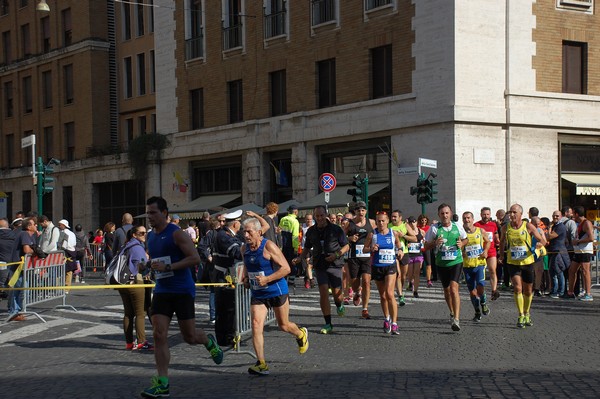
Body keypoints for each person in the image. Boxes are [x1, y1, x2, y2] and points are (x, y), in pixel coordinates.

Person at [141, 196, 223, 398]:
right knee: (159, 334)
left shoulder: (176, 234)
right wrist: (146, 266)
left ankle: (208, 341)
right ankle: (163, 383)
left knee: (189, 336)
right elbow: (156, 259)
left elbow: (195, 258)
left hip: (182, 290)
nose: (149, 216)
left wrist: (169, 266)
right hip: (162, 290)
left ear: (165, 213)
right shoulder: (150, 236)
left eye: (153, 212)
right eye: (148, 213)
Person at [241, 217, 308, 375]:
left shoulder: (269, 246)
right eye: (244, 231)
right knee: (256, 325)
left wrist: (267, 279)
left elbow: (286, 268)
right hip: (258, 293)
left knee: (283, 325)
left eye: (249, 231)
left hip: (276, 290)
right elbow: (246, 265)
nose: (246, 235)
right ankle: (261, 363)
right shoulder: (244, 249)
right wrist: (245, 278)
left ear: (259, 232)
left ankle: (300, 333)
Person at [296, 205, 349, 334]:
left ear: (326, 215)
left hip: (335, 263)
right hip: (320, 264)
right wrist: (300, 258)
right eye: (317, 216)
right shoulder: (311, 231)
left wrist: (336, 255)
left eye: (321, 215)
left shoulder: (336, 229)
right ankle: (328, 323)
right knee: (323, 292)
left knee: (337, 294)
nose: (319, 218)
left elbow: (346, 246)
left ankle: (339, 304)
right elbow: (307, 247)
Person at [499, 204, 547, 328]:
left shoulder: (528, 226)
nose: (511, 214)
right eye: (510, 212)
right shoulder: (506, 227)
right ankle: (520, 315)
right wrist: (501, 255)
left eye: (514, 212)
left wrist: (539, 245)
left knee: (528, 290)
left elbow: (543, 240)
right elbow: (502, 241)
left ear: (521, 214)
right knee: (517, 288)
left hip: (527, 262)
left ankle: (527, 313)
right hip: (512, 262)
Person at [424, 203, 467, 332]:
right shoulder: (434, 229)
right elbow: (426, 246)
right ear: (439, 215)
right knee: (447, 290)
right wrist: (435, 243)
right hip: (441, 263)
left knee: (454, 289)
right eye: (442, 213)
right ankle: (452, 312)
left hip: (456, 261)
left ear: (451, 213)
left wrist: (462, 243)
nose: (445, 215)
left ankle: (457, 320)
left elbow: (466, 239)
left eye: (447, 213)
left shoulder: (457, 226)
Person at [363, 211, 402, 335]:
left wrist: (400, 251)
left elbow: (398, 244)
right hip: (377, 266)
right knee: (383, 296)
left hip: (390, 266)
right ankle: (387, 318)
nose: (381, 223)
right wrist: (371, 249)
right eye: (378, 221)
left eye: (383, 221)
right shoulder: (372, 234)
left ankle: (395, 323)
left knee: (390, 294)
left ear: (387, 221)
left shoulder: (393, 233)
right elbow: (364, 248)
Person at [117, 225, 153, 350]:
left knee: (128, 314)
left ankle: (129, 343)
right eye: (141, 233)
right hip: (135, 282)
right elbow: (142, 267)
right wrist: (150, 262)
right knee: (140, 313)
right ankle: (142, 342)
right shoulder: (137, 248)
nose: (144, 235)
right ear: (134, 235)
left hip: (123, 283)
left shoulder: (126, 246)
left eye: (145, 233)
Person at [345, 200, 376, 319]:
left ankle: (365, 309)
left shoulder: (371, 222)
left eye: (363, 210)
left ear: (366, 211)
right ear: (355, 212)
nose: (361, 212)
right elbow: (341, 237)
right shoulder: (350, 223)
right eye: (359, 210)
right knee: (354, 283)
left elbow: (378, 234)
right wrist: (349, 238)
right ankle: (357, 292)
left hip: (367, 256)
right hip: (353, 257)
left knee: (367, 281)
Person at [462, 211, 491, 322]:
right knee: (472, 291)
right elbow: (458, 246)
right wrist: (462, 252)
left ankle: (483, 302)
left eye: (468, 218)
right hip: (467, 265)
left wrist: (486, 251)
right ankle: (477, 311)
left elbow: (488, 242)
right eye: (464, 218)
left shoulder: (480, 231)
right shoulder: (461, 234)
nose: (467, 220)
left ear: (473, 219)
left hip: (479, 264)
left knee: (480, 286)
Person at [8, 217, 37, 320]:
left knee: (21, 290)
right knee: (21, 290)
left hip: (24, 267)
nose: (36, 226)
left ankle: (16, 311)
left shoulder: (30, 235)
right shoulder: (24, 234)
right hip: (18, 267)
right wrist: (36, 252)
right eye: (34, 224)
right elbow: (27, 249)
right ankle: (15, 311)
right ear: (29, 226)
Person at [389, 210, 416, 306]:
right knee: (398, 274)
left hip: (404, 253)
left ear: (400, 217)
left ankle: (401, 289)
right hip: (392, 253)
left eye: (395, 217)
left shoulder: (405, 225)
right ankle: (400, 296)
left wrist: (403, 236)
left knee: (403, 276)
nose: (393, 218)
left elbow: (414, 238)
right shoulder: (388, 226)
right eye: (392, 216)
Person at [567, 206, 594, 301]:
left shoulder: (587, 223)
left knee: (585, 271)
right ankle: (570, 292)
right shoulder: (579, 223)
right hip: (578, 251)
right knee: (571, 270)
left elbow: (591, 238)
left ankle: (588, 294)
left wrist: (578, 242)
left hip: (585, 251)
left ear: (577, 214)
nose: (572, 215)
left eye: (573, 213)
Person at [474, 207, 500, 300]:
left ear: (490, 215)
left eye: (487, 214)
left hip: (491, 251)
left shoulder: (493, 225)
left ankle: (494, 291)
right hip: (480, 251)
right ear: (481, 215)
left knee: (492, 270)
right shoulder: (477, 225)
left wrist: (498, 240)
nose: (486, 216)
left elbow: (496, 236)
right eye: (484, 214)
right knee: (480, 272)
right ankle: (480, 290)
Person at [547, 210, 569, 299]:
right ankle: (554, 290)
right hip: (553, 251)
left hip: (558, 252)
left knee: (558, 271)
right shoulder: (556, 226)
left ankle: (560, 291)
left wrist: (549, 227)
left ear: (560, 216)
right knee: (552, 272)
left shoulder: (560, 226)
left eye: (557, 216)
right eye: (554, 216)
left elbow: (550, 236)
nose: (555, 217)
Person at [279, 204, 300, 286]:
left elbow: (279, 231)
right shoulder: (295, 221)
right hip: (291, 245)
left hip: (283, 245)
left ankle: (283, 278)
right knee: (293, 262)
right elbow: (295, 236)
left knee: (284, 262)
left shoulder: (283, 219)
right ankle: (291, 280)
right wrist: (295, 247)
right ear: (295, 212)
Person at [405, 216, 425, 298]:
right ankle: (410, 282)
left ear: (416, 222)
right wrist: (407, 244)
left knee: (417, 273)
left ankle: (415, 291)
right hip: (409, 254)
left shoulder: (421, 231)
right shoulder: (407, 232)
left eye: (414, 222)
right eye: (411, 222)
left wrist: (423, 243)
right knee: (410, 273)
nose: (412, 224)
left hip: (418, 254)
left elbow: (424, 241)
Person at [0, 218, 19, 302]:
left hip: (2, 261)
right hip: (14, 261)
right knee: (12, 283)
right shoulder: (15, 235)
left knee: (2, 281)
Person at [57, 219, 78, 293]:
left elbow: (63, 244)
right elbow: (74, 243)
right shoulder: (72, 233)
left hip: (65, 252)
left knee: (61, 270)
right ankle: (67, 288)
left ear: (64, 225)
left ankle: (60, 287)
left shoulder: (63, 233)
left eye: (60, 225)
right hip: (72, 252)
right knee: (69, 271)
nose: (59, 226)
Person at [301, 213, 315, 289]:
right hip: (305, 248)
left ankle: (308, 278)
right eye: (307, 219)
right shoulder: (302, 227)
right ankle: (310, 280)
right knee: (308, 264)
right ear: (305, 220)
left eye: (310, 219)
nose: (308, 221)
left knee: (310, 265)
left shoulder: (315, 226)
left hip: (314, 248)